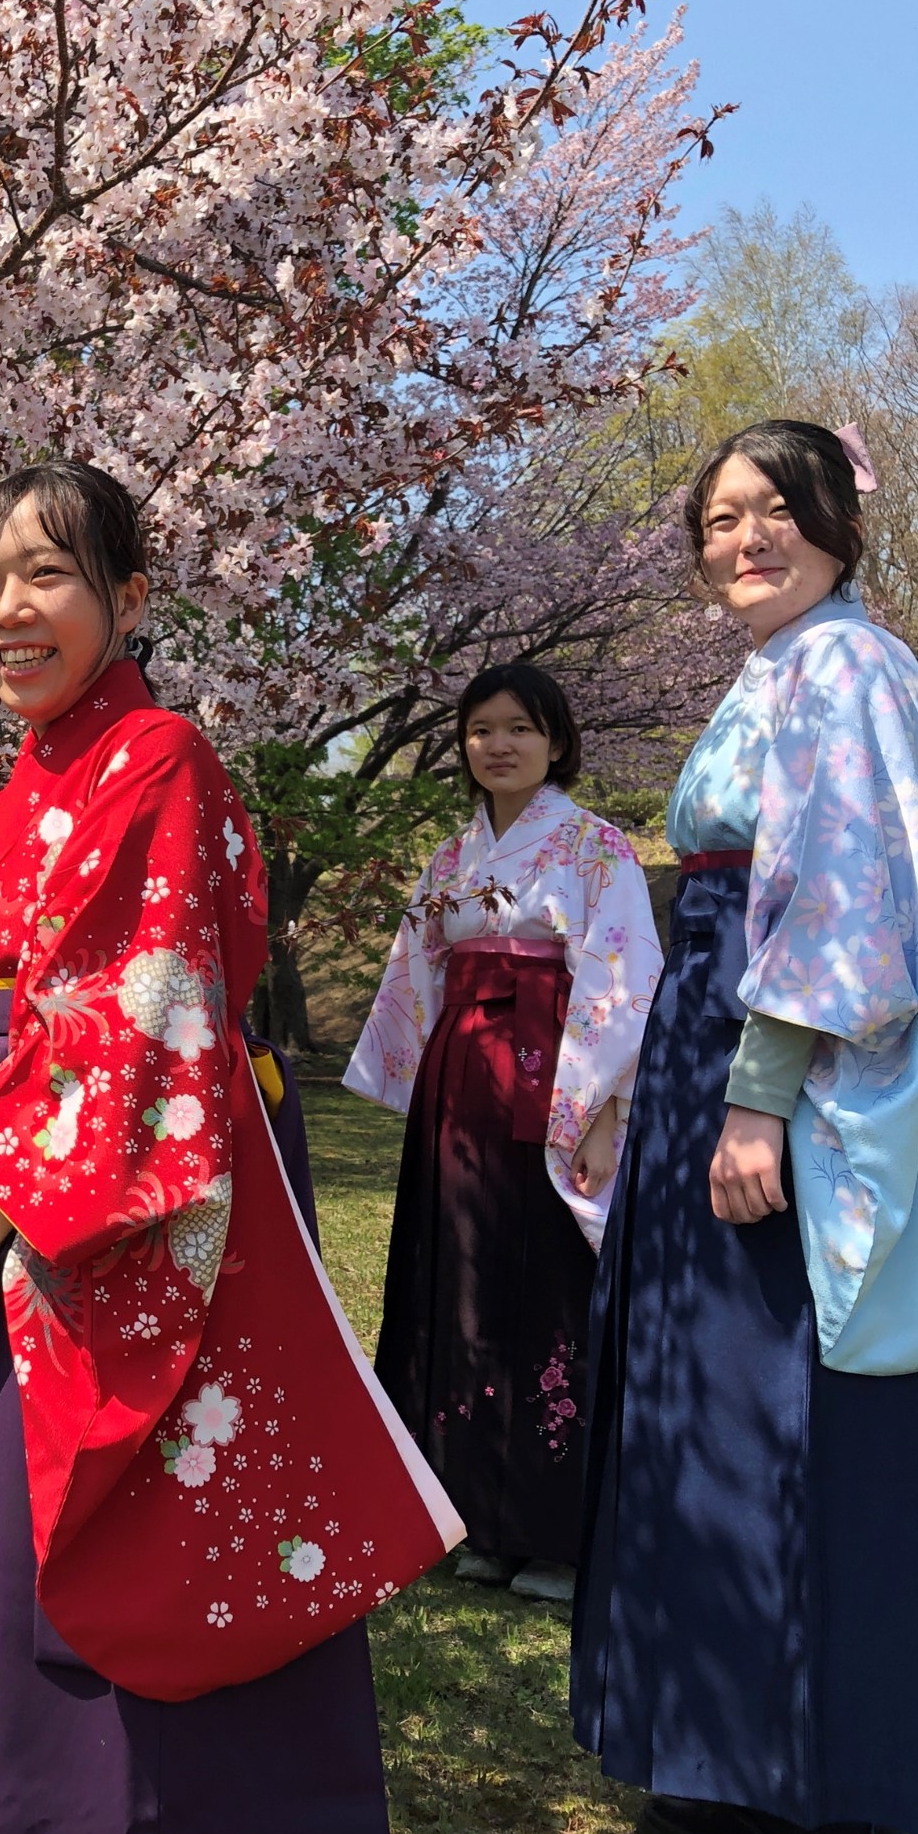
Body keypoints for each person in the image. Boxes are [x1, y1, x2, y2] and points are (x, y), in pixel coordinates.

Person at [0, 461, 461, 1834]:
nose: (7, 611)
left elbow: (126, 1012)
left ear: (128, 596)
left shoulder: (158, 755)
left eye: (44, 575)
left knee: (122, 1532)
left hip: (97, 1199)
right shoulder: (16, 792)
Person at [570, 421, 918, 1834]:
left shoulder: (847, 667)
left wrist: (756, 1096)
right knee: (725, 1402)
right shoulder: (781, 667)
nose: (743, 540)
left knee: (792, 1406)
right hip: (726, 1035)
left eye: (775, 512)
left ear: (836, 524)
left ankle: (795, 1769)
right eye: (718, 519)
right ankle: (725, 1742)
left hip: (791, 1067)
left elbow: (842, 899)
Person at [344, 663, 658, 1603]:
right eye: (482, 729)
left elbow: (622, 983)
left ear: (557, 740)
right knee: (461, 1278)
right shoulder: (451, 859)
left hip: (556, 1073)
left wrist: (603, 1112)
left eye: (520, 726)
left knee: (550, 1279)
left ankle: (554, 1529)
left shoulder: (599, 849)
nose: (500, 744)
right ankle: (472, 1509)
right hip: (463, 1088)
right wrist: (422, 1079)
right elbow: (417, 975)